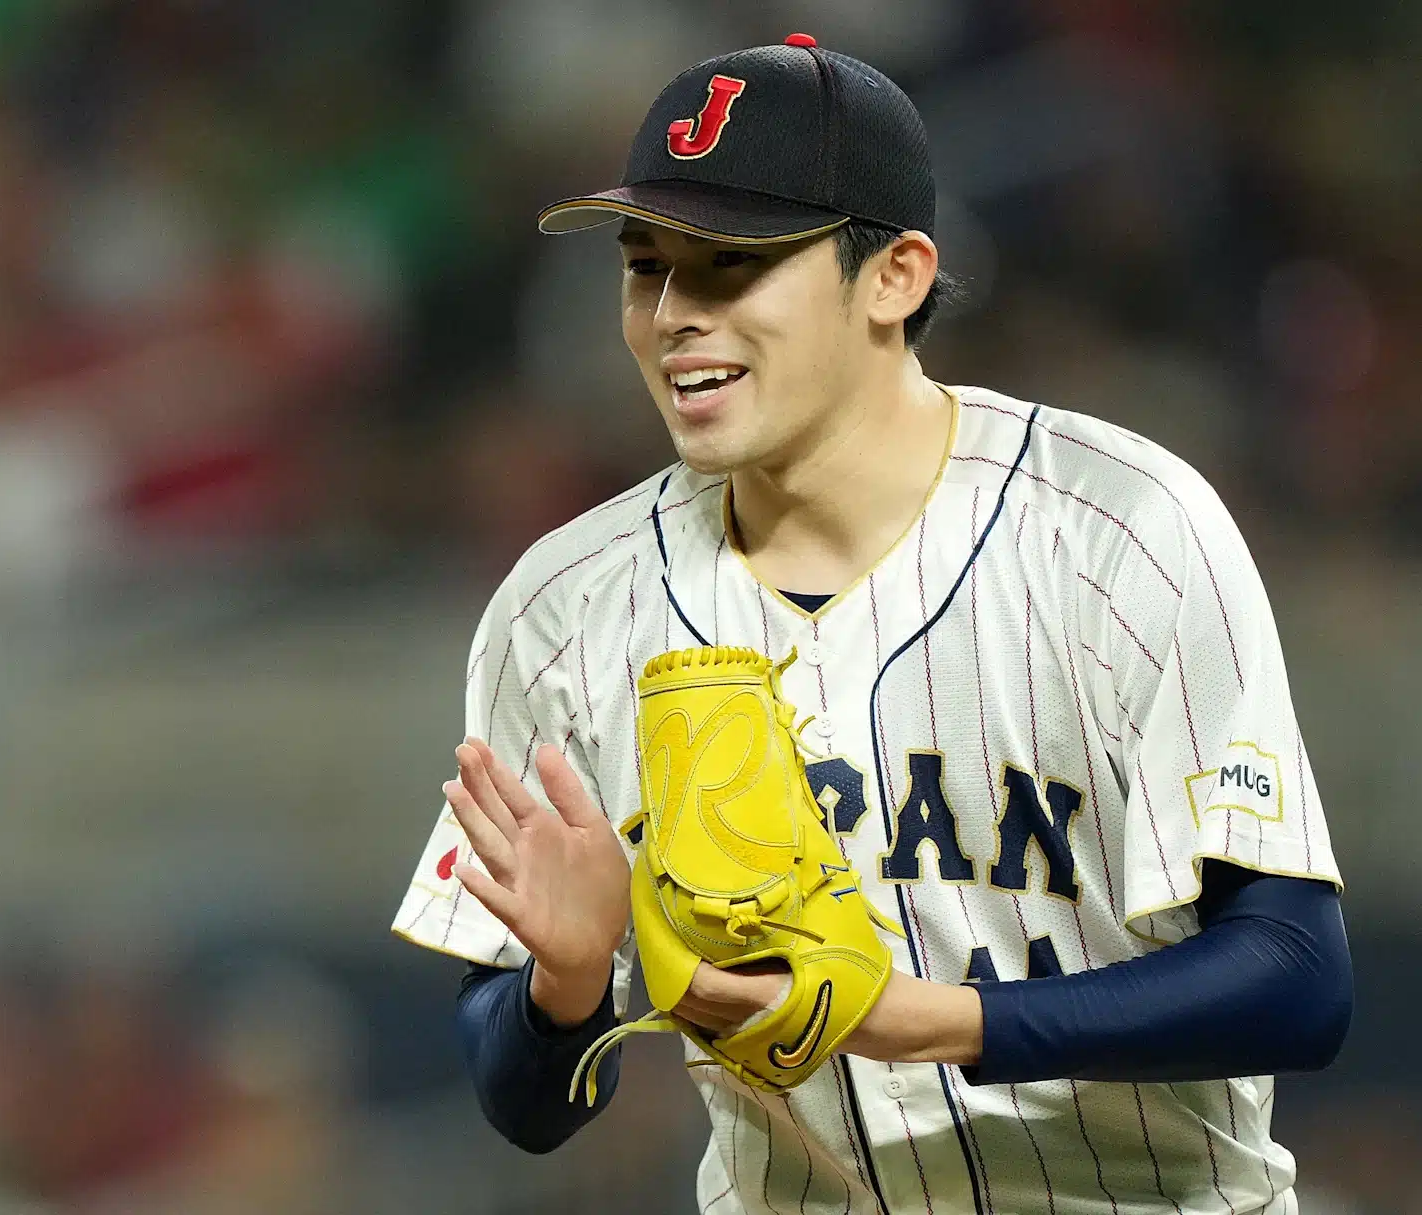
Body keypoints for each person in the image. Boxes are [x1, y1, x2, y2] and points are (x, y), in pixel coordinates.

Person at [391, 32, 1353, 1214]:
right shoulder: (564, 606)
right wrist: (568, 981)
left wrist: (928, 1024)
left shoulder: (1119, 532)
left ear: (894, 276)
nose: (677, 314)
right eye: (649, 269)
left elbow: (1299, 981)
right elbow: (528, 1107)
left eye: (733, 267)